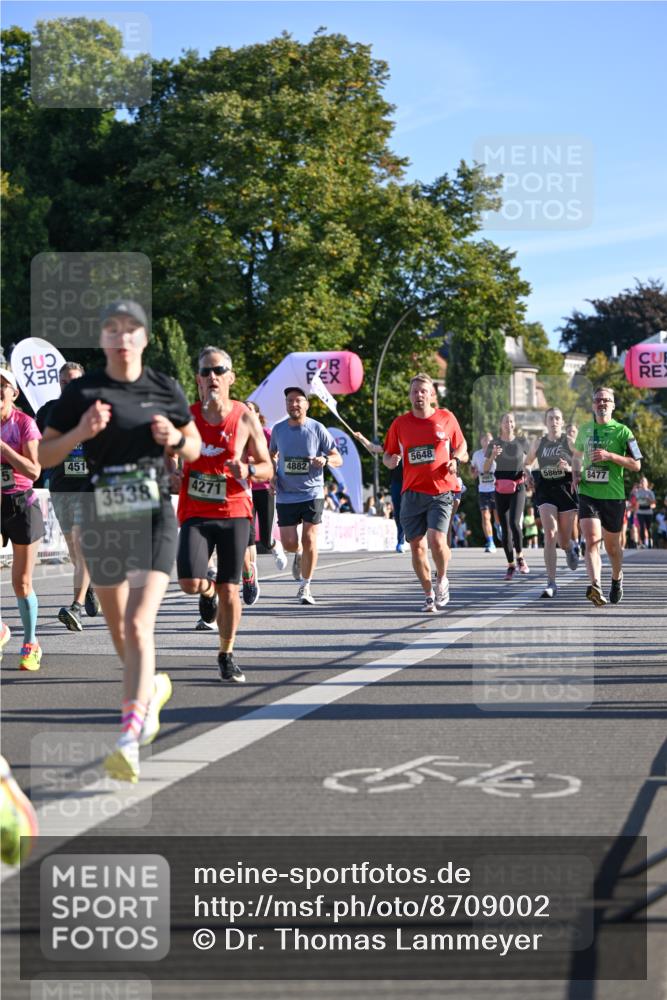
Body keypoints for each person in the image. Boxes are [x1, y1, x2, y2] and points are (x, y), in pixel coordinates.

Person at [39, 300, 201, 782]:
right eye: (113, 329)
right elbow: (44, 454)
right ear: (104, 338)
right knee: (119, 632)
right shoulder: (82, 392)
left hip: (152, 514)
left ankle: (129, 738)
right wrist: (82, 432)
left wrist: (174, 437)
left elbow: (193, 446)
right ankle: (149, 687)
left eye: (132, 329)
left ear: (144, 338)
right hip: (102, 513)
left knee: (137, 623)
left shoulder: (163, 386)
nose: (123, 337)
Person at [175, 347, 273, 681]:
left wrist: (247, 471)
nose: (212, 376)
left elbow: (267, 468)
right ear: (198, 381)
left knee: (231, 589)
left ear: (231, 377)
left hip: (233, 511)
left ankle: (226, 653)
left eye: (219, 370)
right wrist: (170, 475)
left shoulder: (244, 416)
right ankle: (206, 591)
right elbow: (166, 456)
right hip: (195, 511)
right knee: (188, 582)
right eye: (206, 372)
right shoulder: (186, 418)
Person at [383, 372, 467, 613]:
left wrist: (456, 459)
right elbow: (388, 455)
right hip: (411, 493)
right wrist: (391, 461)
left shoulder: (446, 418)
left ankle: (442, 578)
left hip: (442, 490)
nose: (418, 395)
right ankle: (428, 594)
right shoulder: (400, 424)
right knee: (417, 546)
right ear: (409, 396)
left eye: (423, 391)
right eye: (414, 391)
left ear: (432, 395)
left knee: (437, 540)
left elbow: (462, 446)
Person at [35, 361, 100, 631]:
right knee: (74, 550)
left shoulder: (96, 412)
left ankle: (75, 607)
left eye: (74, 382)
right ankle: (90, 585)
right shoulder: (48, 412)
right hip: (61, 489)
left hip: (89, 488)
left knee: (83, 545)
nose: (69, 387)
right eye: (64, 383)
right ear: (58, 384)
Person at [270, 387, 342, 605]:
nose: (294, 404)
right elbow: (271, 453)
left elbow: (337, 457)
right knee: (291, 543)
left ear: (306, 404)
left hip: (312, 492)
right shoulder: (278, 430)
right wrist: (273, 473)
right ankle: (297, 552)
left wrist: (326, 460)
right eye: (290, 401)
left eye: (298, 400)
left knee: (310, 538)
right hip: (286, 493)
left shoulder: (316, 428)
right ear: (286, 404)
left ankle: (305, 586)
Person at [571, 386, 642, 606]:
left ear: (613, 405)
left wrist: (610, 456)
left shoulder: (623, 432)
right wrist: (575, 475)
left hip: (613, 495)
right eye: (598, 400)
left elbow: (636, 464)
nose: (601, 403)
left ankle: (617, 578)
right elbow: (576, 457)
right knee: (591, 540)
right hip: (588, 493)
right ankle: (596, 586)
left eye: (606, 400)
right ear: (593, 405)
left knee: (612, 548)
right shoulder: (584, 430)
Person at [1, 367, 45, 670]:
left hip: (22, 505)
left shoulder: (24, 423)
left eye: (1, 386)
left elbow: (34, 470)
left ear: (13, 393)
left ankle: (31, 643)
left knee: (22, 583)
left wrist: (3, 449)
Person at [525, 407, 580, 599]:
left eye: (557, 418)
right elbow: (526, 463)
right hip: (545, 491)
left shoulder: (570, 442)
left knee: (562, 540)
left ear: (562, 422)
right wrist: (527, 474)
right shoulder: (538, 443)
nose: (554, 422)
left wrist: (570, 467)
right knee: (549, 534)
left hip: (565, 492)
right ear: (545, 422)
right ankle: (551, 582)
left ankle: (570, 546)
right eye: (551, 418)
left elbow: (584, 463)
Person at [484, 413, 531, 580]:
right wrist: (492, 456)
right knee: (504, 527)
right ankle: (510, 565)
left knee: (514, 523)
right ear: (500, 424)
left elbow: (530, 460)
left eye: (511, 421)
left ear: (514, 424)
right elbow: (485, 468)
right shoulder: (494, 443)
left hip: (518, 486)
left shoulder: (522, 441)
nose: (508, 424)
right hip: (500, 488)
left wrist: (529, 473)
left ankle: (520, 557)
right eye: (505, 421)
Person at [245, 401, 287, 572]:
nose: (245, 414)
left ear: (257, 414)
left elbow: (275, 458)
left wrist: (275, 477)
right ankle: (251, 572)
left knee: (265, 539)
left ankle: (275, 546)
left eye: (249, 410)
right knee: (247, 536)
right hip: (245, 491)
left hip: (264, 489)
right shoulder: (237, 435)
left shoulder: (267, 434)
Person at [470, 431, 500, 553]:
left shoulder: (497, 453)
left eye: (489, 440)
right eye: (484, 440)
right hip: (483, 490)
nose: (487, 442)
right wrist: (474, 473)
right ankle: (490, 542)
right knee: (485, 516)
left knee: (497, 517)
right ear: (481, 442)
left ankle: (498, 526)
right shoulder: (477, 455)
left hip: (497, 489)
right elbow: (472, 472)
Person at [631, 475, 656, 548]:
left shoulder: (650, 492)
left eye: (644, 481)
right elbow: (636, 503)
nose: (642, 483)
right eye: (641, 481)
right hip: (640, 512)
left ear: (647, 483)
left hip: (648, 511)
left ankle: (650, 543)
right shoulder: (638, 492)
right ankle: (643, 543)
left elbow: (654, 503)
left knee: (648, 528)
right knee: (641, 527)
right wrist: (635, 512)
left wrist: (649, 501)